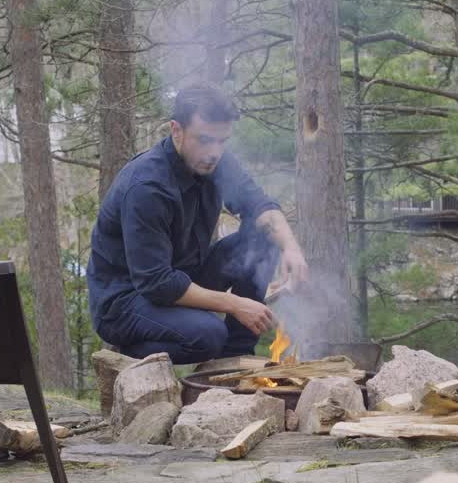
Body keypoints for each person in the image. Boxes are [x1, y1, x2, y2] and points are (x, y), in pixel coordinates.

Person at [87, 85, 308, 364]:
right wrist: (236, 304)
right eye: (204, 140)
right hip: (127, 301)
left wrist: (291, 249)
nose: (214, 152)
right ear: (176, 130)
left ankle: (236, 357)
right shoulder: (147, 187)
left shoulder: (216, 162)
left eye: (222, 141)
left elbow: (259, 205)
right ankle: (131, 357)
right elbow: (157, 283)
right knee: (208, 336)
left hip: (182, 277)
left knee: (262, 238)